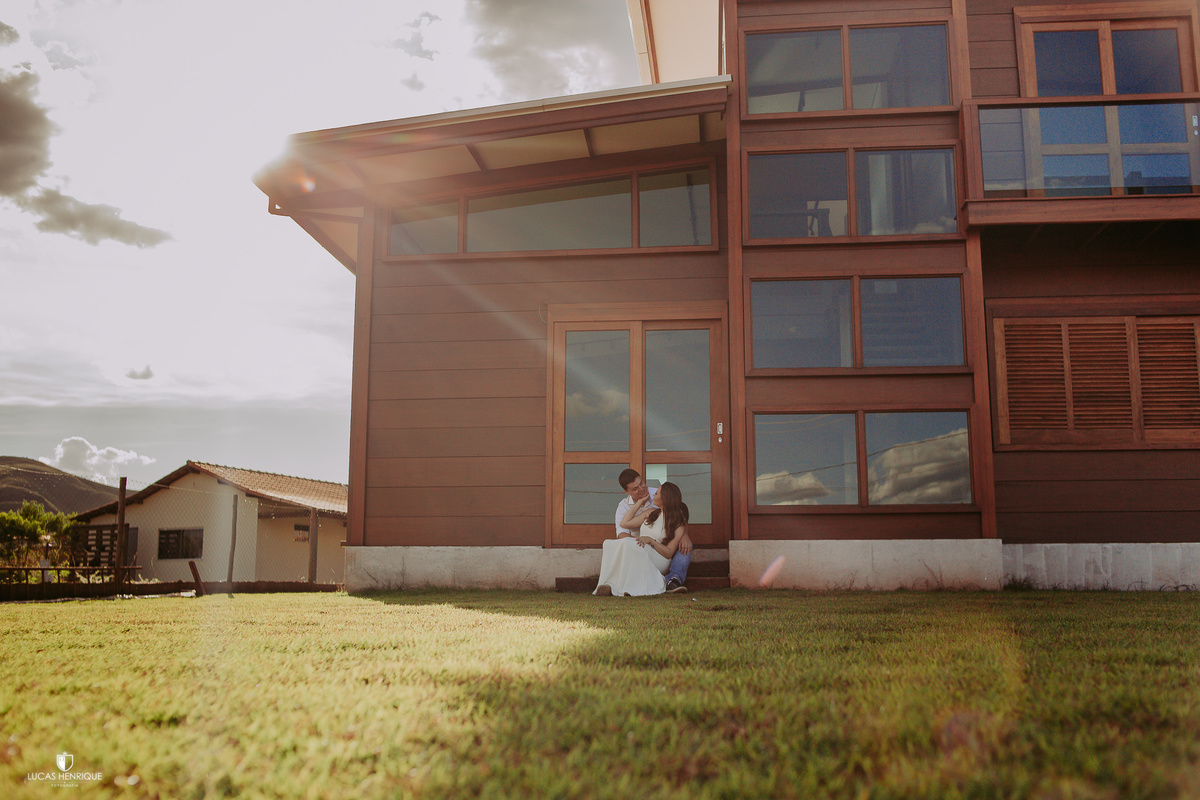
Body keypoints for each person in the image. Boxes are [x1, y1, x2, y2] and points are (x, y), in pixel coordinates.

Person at [595, 480, 691, 597]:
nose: (653, 495)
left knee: (628, 543)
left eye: (657, 493)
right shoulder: (651, 513)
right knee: (610, 544)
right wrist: (639, 502)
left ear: (665, 498)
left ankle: (622, 587)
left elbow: (669, 553)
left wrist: (651, 541)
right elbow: (624, 523)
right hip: (643, 549)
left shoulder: (678, 524)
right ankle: (609, 584)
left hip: (660, 558)